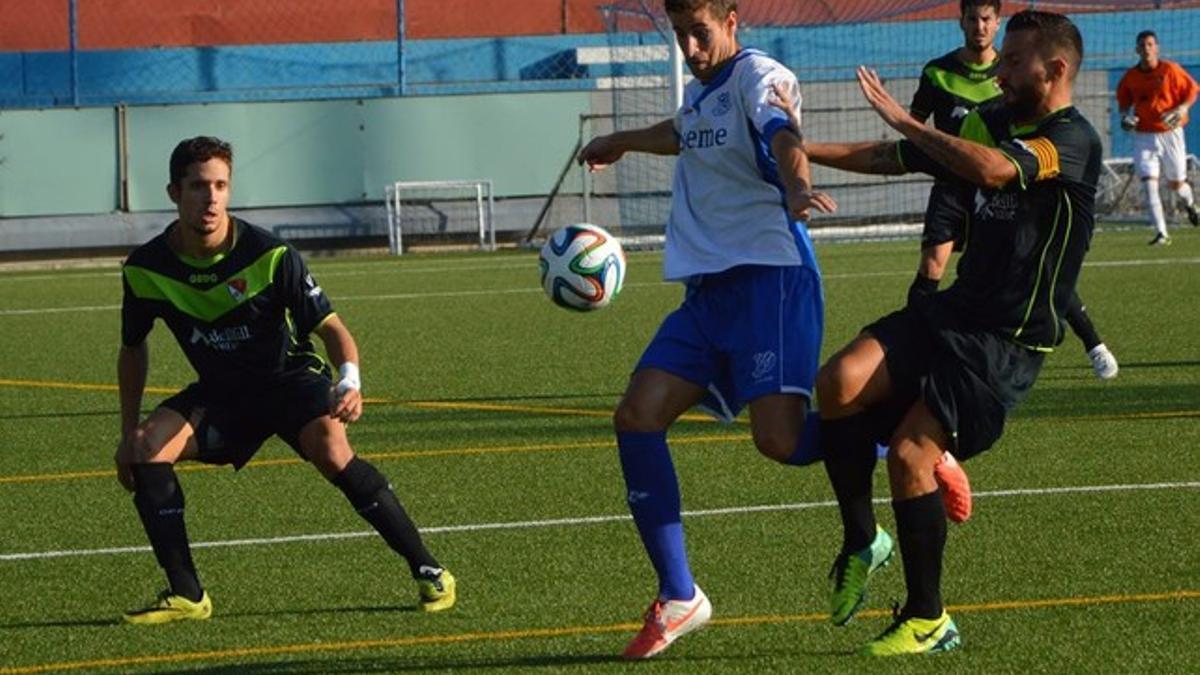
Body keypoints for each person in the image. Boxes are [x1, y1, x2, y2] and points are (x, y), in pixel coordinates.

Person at [800, 10, 1099, 655]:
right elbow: (895, 156)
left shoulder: (1072, 140)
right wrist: (800, 152)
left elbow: (994, 171)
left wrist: (909, 120)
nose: (1002, 70)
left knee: (909, 455)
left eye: (1015, 62)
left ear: (1056, 71)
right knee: (839, 381)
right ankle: (861, 539)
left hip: (1008, 340)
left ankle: (929, 618)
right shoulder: (986, 116)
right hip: (956, 311)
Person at [578, 0, 836, 659]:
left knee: (779, 441)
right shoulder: (701, 93)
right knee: (636, 416)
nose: (690, 46)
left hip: (770, 277)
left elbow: (784, 136)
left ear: (732, 21)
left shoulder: (760, 76)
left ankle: (902, 441)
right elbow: (686, 132)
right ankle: (679, 594)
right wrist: (625, 140)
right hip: (706, 293)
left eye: (701, 31)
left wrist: (799, 188)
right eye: (681, 33)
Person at [115, 136, 455, 624]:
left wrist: (350, 380)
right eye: (198, 186)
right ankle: (188, 594)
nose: (211, 198)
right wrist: (127, 431)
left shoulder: (270, 255)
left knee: (333, 450)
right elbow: (132, 348)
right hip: (223, 394)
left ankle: (430, 569)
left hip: (289, 381)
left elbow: (334, 330)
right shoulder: (146, 268)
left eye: (220, 186)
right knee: (148, 447)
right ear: (174, 192)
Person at [1117, 30, 1200, 246]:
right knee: (1149, 184)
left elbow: (1193, 90)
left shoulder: (1171, 70)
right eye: (1142, 45)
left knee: (1176, 185)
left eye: (1150, 44)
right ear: (1136, 50)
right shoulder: (1130, 78)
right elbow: (1123, 104)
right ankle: (1162, 233)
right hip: (1144, 136)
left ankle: (1190, 203)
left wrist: (1182, 108)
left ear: (1157, 48)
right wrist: (1126, 117)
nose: (1146, 49)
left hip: (1171, 134)